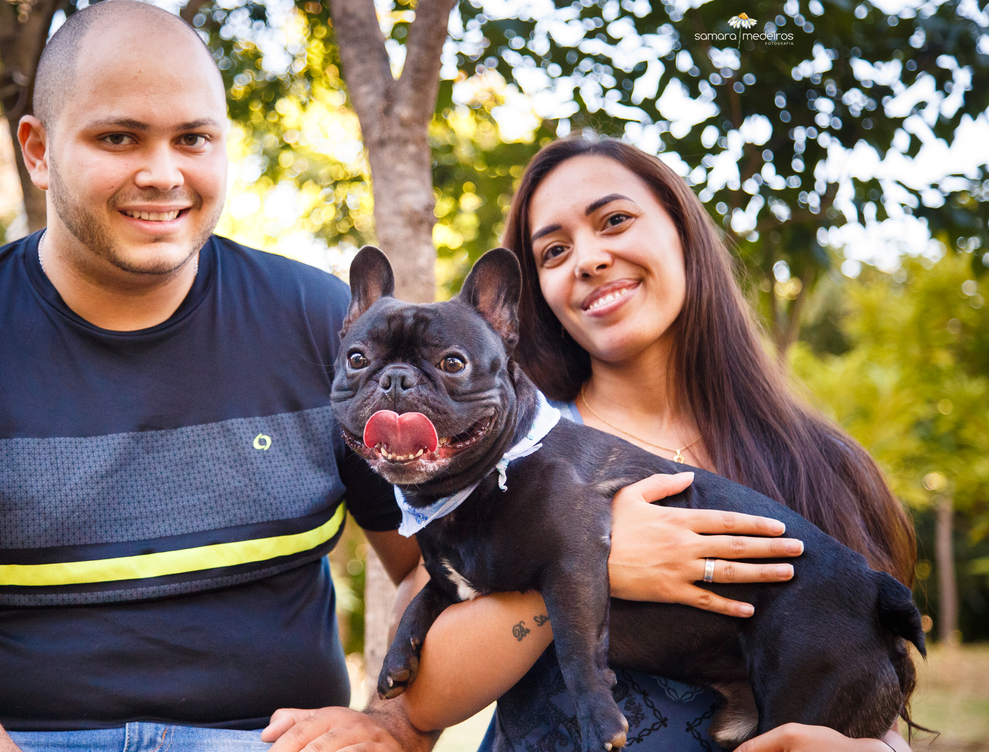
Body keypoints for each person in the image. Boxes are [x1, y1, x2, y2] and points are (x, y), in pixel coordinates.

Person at [0, 0, 435, 752]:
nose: (162, 174)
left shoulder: (328, 329)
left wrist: (395, 723)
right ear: (37, 151)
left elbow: (447, 561)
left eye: (193, 138)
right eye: (118, 137)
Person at [379, 135, 919, 752]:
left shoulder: (821, 462)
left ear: (682, 230)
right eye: (554, 251)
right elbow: (417, 706)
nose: (588, 259)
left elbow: (870, 689)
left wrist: (879, 751)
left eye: (615, 220)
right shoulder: (503, 453)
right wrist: (589, 564)